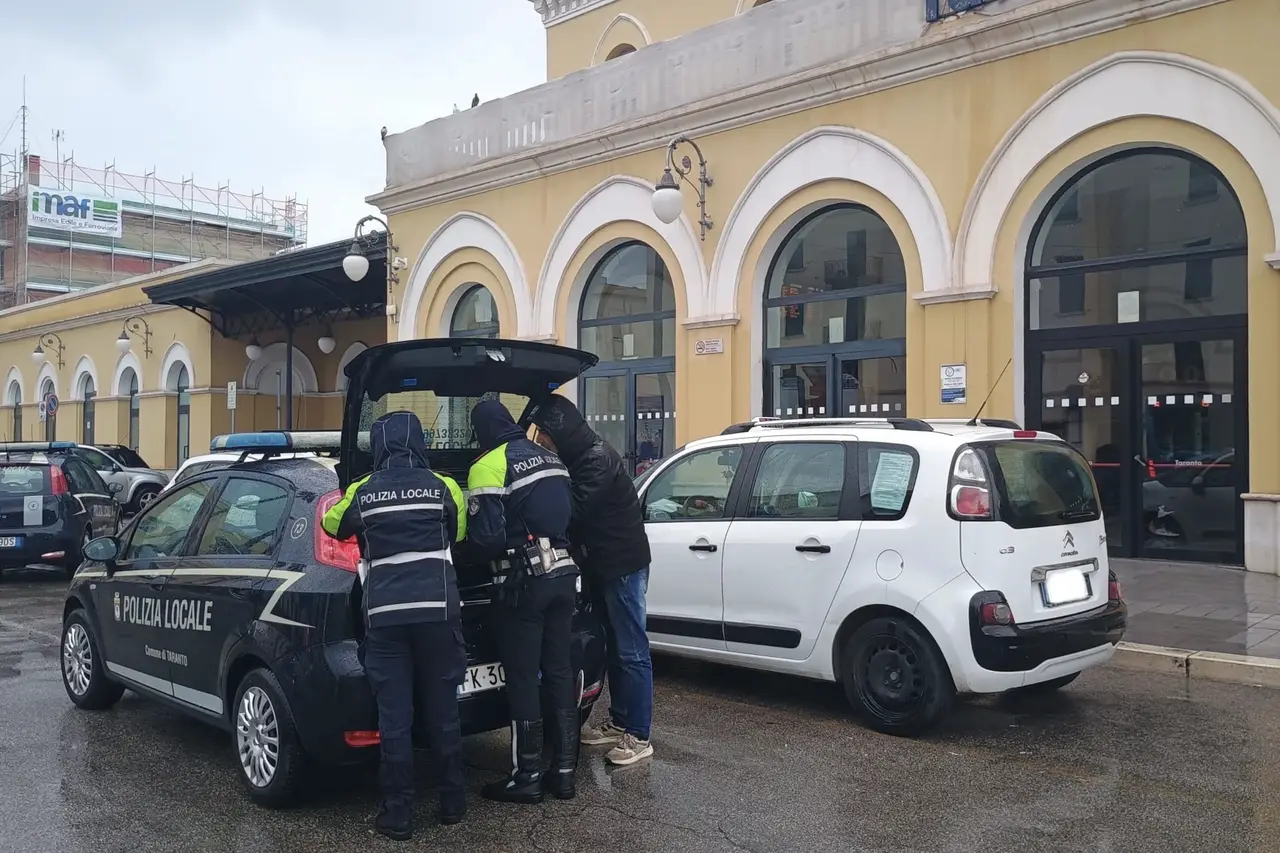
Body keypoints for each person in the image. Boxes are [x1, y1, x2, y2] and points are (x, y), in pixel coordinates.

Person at [321, 411, 468, 841]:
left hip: (385, 618)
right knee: (444, 712)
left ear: (378, 447)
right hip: (438, 613)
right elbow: (459, 533)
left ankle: (399, 815)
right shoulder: (444, 486)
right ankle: (452, 803)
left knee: (395, 719)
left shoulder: (363, 490)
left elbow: (332, 524)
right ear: (419, 442)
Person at [527, 395, 655, 767]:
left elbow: (575, 512)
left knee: (632, 650)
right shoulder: (582, 457)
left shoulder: (596, 460)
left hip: (622, 566)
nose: (540, 441)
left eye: (542, 434)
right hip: (605, 565)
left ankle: (639, 735)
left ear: (558, 432)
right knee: (615, 647)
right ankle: (620, 722)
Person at [466, 399, 581, 804]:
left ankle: (526, 776)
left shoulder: (488, 465)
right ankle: (564, 773)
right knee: (560, 671)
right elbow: (570, 515)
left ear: (482, 430)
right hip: (564, 576)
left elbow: (486, 541)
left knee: (524, 677)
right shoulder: (551, 458)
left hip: (523, 585)